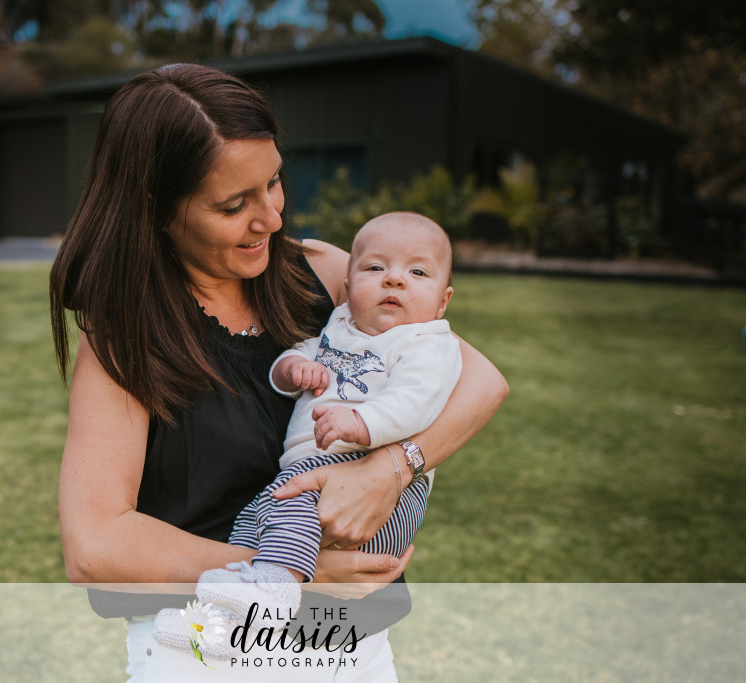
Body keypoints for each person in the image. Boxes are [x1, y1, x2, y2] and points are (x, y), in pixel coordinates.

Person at [49, 63, 508, 681]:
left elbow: (481, 380)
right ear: (156, 208)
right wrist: (284, 571)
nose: (270, 217)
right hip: (208, 655)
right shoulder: (126, 337)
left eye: (273, 183)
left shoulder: (323, 273)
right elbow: (95, 545)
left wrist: (392, 469)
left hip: (355, 647)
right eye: (234, 204)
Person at [153, 211, 464, 654]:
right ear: (349, 283)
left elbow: (418, 401)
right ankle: (224, 622)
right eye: (376, 268)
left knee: (288, 514)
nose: (394, 279)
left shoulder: (428, 342)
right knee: (252, 524)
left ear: (443, 300)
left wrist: (361, 424)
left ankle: (273, 594)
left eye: (417, 273)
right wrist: (292, 369)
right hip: (307, 475)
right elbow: (302, 351)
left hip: (374, 484)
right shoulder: (341, 325)